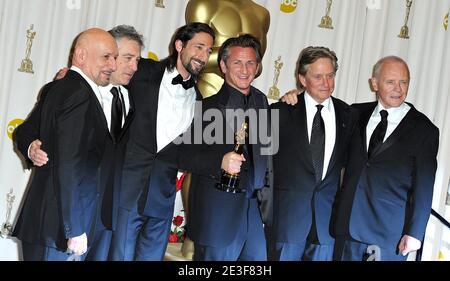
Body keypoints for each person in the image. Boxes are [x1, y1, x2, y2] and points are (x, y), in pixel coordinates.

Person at [14, 25, 144, 261]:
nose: (122, 65)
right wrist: (31, 146)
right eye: (119, 57)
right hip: (65, 222)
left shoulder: (130, 98)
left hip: (100, 218)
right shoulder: (71, 90)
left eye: (134, 59)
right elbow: (62, 156)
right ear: (83, 55)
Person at [113, 22, 215, 260]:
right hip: (127, 191)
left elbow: (191, 153)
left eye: (208, 51)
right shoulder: (143, 71)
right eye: (199, 47)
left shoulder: (199, 100)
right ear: (179, 45)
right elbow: (108, 76)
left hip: (162, 199)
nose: (203, 56)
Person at [332, 56, 439, 261]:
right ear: (374, 83)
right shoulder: (355, 113)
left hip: (388, 235)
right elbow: (321, 109)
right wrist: (296, 97)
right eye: (390, 82)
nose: (398, 89)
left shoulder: (425, 130)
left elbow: (424, 187)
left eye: (404, 82)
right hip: (347, 228)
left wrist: (415, 233)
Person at [178, 34, 269, 261]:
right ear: (223, 66)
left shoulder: (264, 104)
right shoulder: (204, 107)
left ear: (257, 67)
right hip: (218, 216)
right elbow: (182, 156)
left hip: (257, 215)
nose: (245, 69)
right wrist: (218, 162)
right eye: (237, 62)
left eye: (250, 63)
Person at [268, 46, 359, 261]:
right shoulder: (279, 112)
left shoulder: (350, 115)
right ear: (302, 78)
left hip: (327, 226)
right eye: (317, 77)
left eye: (330, 76)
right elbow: (262, 166)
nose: (326, 83)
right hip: (287, 222)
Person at [185, 0, 270, 97]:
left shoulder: (261, 14)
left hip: (243, 99)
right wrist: (234, 58)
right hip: (209, 90)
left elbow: (258, 67)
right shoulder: (204, 4)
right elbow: (192, 57)